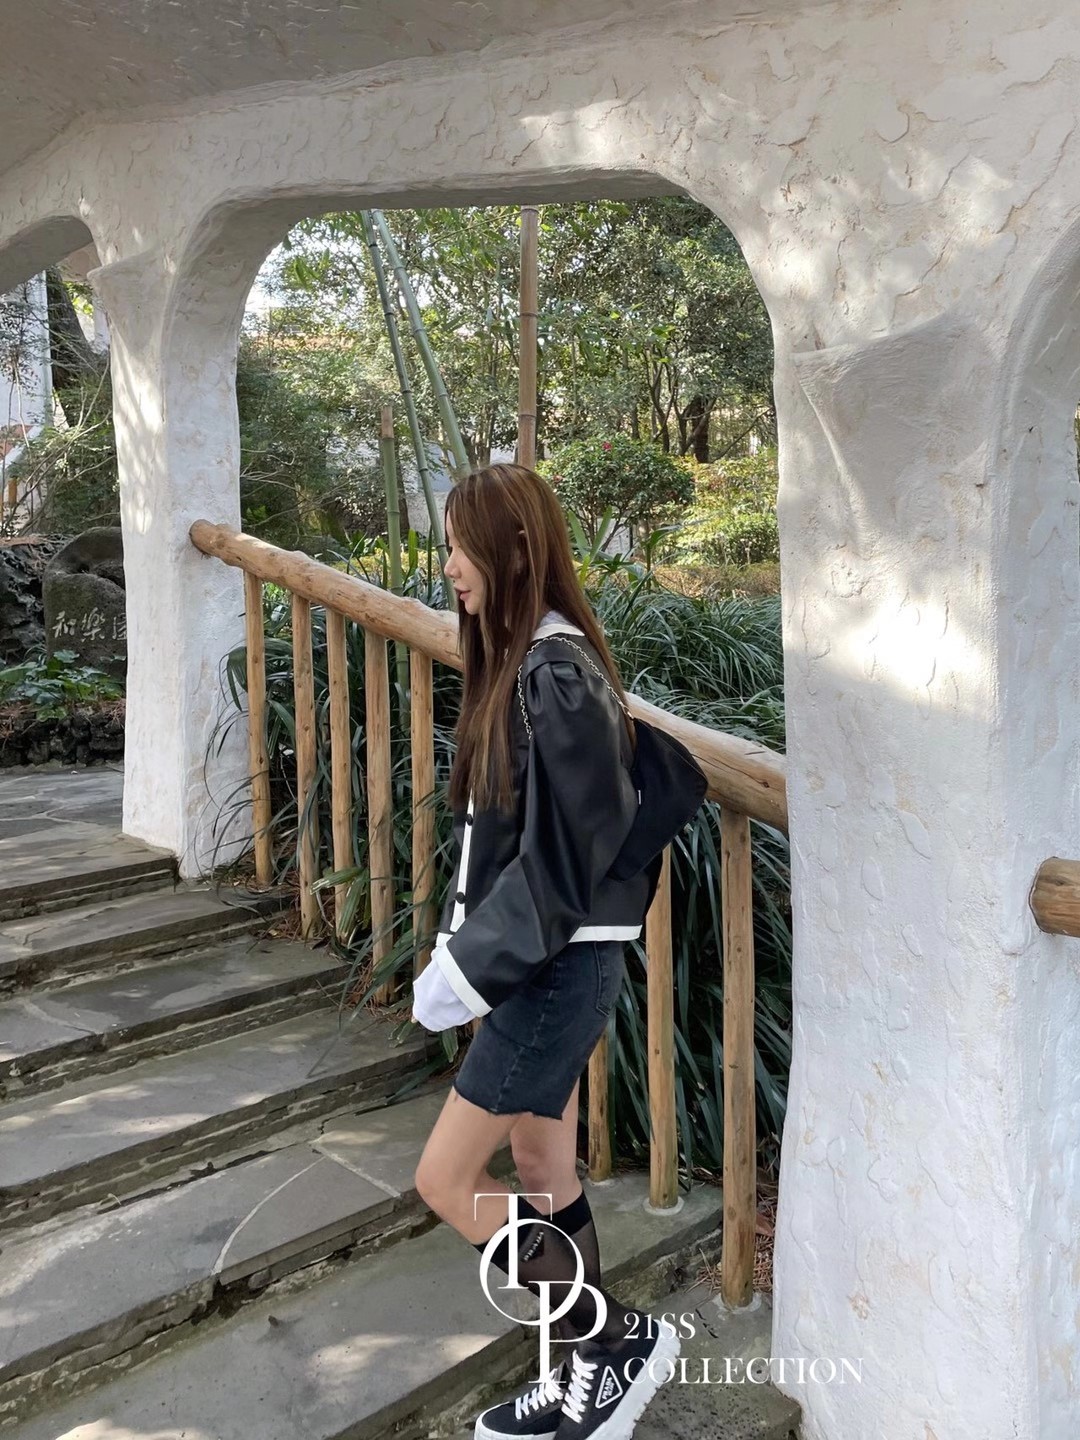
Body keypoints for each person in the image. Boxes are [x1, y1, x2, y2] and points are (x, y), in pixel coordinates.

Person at [411, 464, 679, 1440]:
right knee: (540, 1164)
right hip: (547, 964)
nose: (449, 567)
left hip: (555, 967)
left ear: (518, 551)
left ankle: (614, 1342)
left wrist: (464, 969)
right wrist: (467, 952)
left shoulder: (554, 670)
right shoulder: (532, 662)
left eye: (461, 546)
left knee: (445, 1182)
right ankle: (584, 1377)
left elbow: (568, 856)